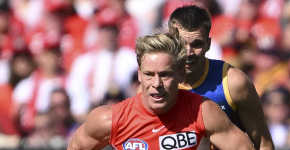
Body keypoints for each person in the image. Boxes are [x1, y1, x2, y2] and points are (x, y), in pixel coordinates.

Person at [67, 33, 255, 150]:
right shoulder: (109, 119)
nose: (156, 83)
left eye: (165, 75)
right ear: (139, 75)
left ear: (181, 75)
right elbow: (76, 146)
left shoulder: (203, 111)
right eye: (149, 74)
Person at [168, 5, 274, 150]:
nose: (188, 52)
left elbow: (264, 144)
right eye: (181, 44)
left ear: (209, 44)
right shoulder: (157, 85)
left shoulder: (232, 82)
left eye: (196, 44)